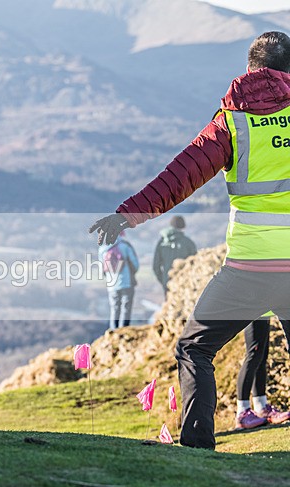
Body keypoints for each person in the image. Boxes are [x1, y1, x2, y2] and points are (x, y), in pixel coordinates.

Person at [89, 31, 290, 450]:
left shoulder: (232, 121)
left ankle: (197, 448)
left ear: (250, 69)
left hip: (251, 268)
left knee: (194, 349)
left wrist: (128, 214)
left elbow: (181, 175)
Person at [235, 317, 290, 429]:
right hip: (253, 311)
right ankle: (242, 413)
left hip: (263, 311)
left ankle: (261, 408)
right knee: (253, 354)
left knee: (261, 356)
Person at [99, 232, 139, 329]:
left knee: (114, 308)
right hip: (126, 282)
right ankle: (123, 330)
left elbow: (101, 269)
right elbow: (135, 264)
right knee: (126, 308)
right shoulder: (125, 246)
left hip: (111, 285)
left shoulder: (102, 249)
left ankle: (113, 330)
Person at [152, 215, 197, 296]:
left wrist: (164, 281)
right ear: (183, 227)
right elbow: (195, 265)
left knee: (170, 303)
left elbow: (156, 266)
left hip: (167, 283)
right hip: (184, 283)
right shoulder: (189, 243)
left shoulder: (161, 243)